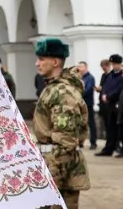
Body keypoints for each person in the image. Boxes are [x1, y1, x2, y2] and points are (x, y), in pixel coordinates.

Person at [31, 38, 89, 209]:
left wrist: (54, 176)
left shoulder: (62, 92)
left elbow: (66, 140)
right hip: (51, 164)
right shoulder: (53, 88)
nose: (37, 63)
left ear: (55, 62)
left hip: (60, 170)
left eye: (41, 59)